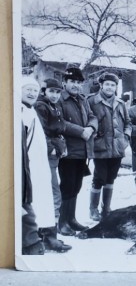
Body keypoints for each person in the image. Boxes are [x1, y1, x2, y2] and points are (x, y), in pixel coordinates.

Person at [58, 67, 98, 236]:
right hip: (67, 152)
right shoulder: (59, 99)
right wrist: (81, 131)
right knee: (67, 186)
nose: (76, 85)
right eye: (72, 82)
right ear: (64, 83)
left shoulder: (82, 99)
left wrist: (90, 127)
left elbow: (92, 116)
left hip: (82, 151)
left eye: (78, 82)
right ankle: (62, 222)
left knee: (76, 186)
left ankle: (72, 219)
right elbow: (58, 122)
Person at [87, 73, 132, 221]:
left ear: (116, 87)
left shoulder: (120, 103)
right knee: (99, 177)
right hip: (100, 147)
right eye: (107, 84)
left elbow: (128, 122)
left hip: (117, 148)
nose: (109, 87)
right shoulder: (92, 101)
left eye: (112, 85)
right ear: (101, 85)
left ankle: (106, 208)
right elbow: (86, 120)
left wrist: (125, 138)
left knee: (111, 178)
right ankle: (93, 209)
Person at [34, 78, 72, 252]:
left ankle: (49, 235)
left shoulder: (54, 106)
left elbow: (60, 127)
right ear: (44, 91)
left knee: (53, 192)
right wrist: (51, 148)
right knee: (52, 193)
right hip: (47, 154)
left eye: (58, 92)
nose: (55, 95)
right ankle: (48, 236)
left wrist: (61, 146)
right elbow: (40, 131)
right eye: (52, 91)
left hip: (54, 153)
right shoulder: (42, 106)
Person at [21, 76, 56, 254]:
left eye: (35, 90)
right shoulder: (19, 111)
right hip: (27, 165)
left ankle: (45, 235)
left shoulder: (31, 110)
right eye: (27, 89)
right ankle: (32, 240)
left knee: (43, 198)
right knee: (30, 201)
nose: (31, 93)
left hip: (39, 163)